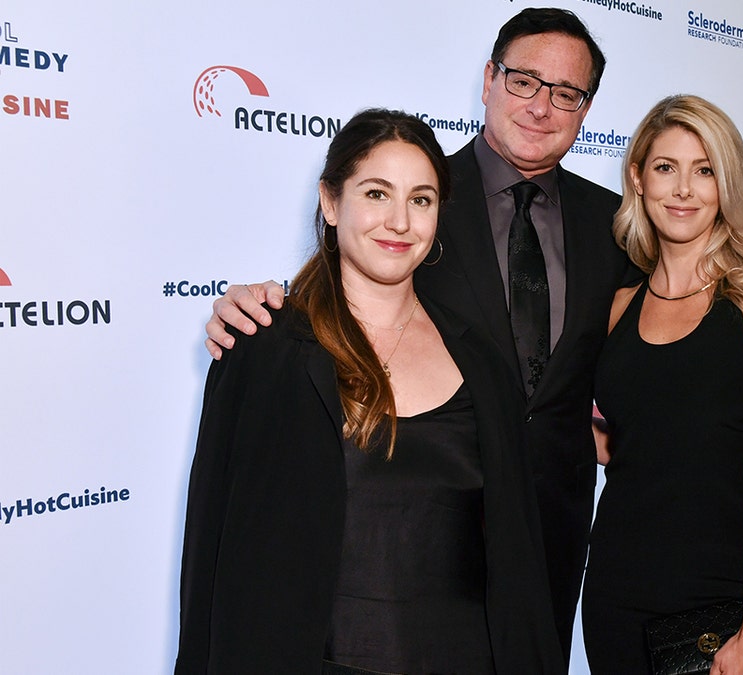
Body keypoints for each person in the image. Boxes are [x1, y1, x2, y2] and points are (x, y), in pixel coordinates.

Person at [201, 8, 743, 662]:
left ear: (586, 110)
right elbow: (350, 282)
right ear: (489, 79)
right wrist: (257, 302)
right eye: (524, 81)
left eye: (566, 93)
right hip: (403, 543)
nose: (542, 106)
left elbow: (679, 342)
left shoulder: (615, 231)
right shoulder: (424, 194)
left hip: (558, 543)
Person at [175, 109, 562, 674]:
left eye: (421, 199)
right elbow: (211, 549)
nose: (400, 221)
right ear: (331, 203)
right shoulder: (266, 349)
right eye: (377, 193)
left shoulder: (482, 358)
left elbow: (518, 564)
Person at [581, 95, 743, 675]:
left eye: (704, 170)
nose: (684, 189)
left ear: (726, 185)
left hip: (717, 598)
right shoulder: (616, 309)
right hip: (614, 588)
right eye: (666, 168)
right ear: (637, 177)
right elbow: (627, 441)